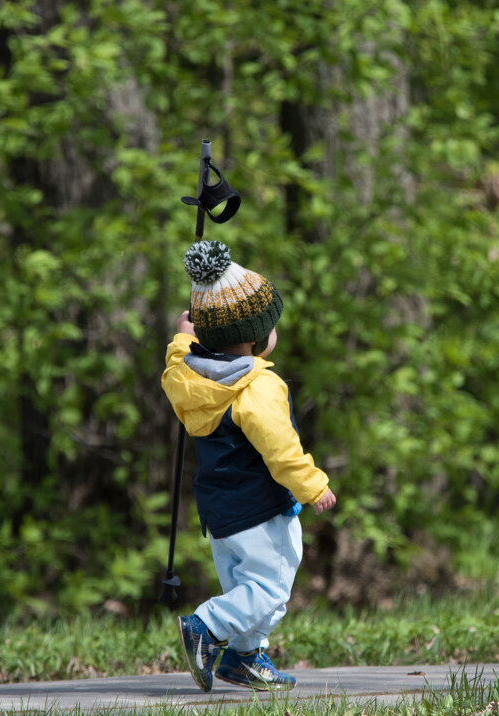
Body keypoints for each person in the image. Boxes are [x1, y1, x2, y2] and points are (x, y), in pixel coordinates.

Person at [161, 240, 337, 692]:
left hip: (220, 512)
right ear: (258, 338)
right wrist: (312, 485)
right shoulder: (257, 387)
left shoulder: (191, 374)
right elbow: (281, 448)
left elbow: (175, 361)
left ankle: (242, 657)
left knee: (250, 587)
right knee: (271, 586)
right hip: (260, 509)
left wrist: (183, 335)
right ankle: (207, 626)